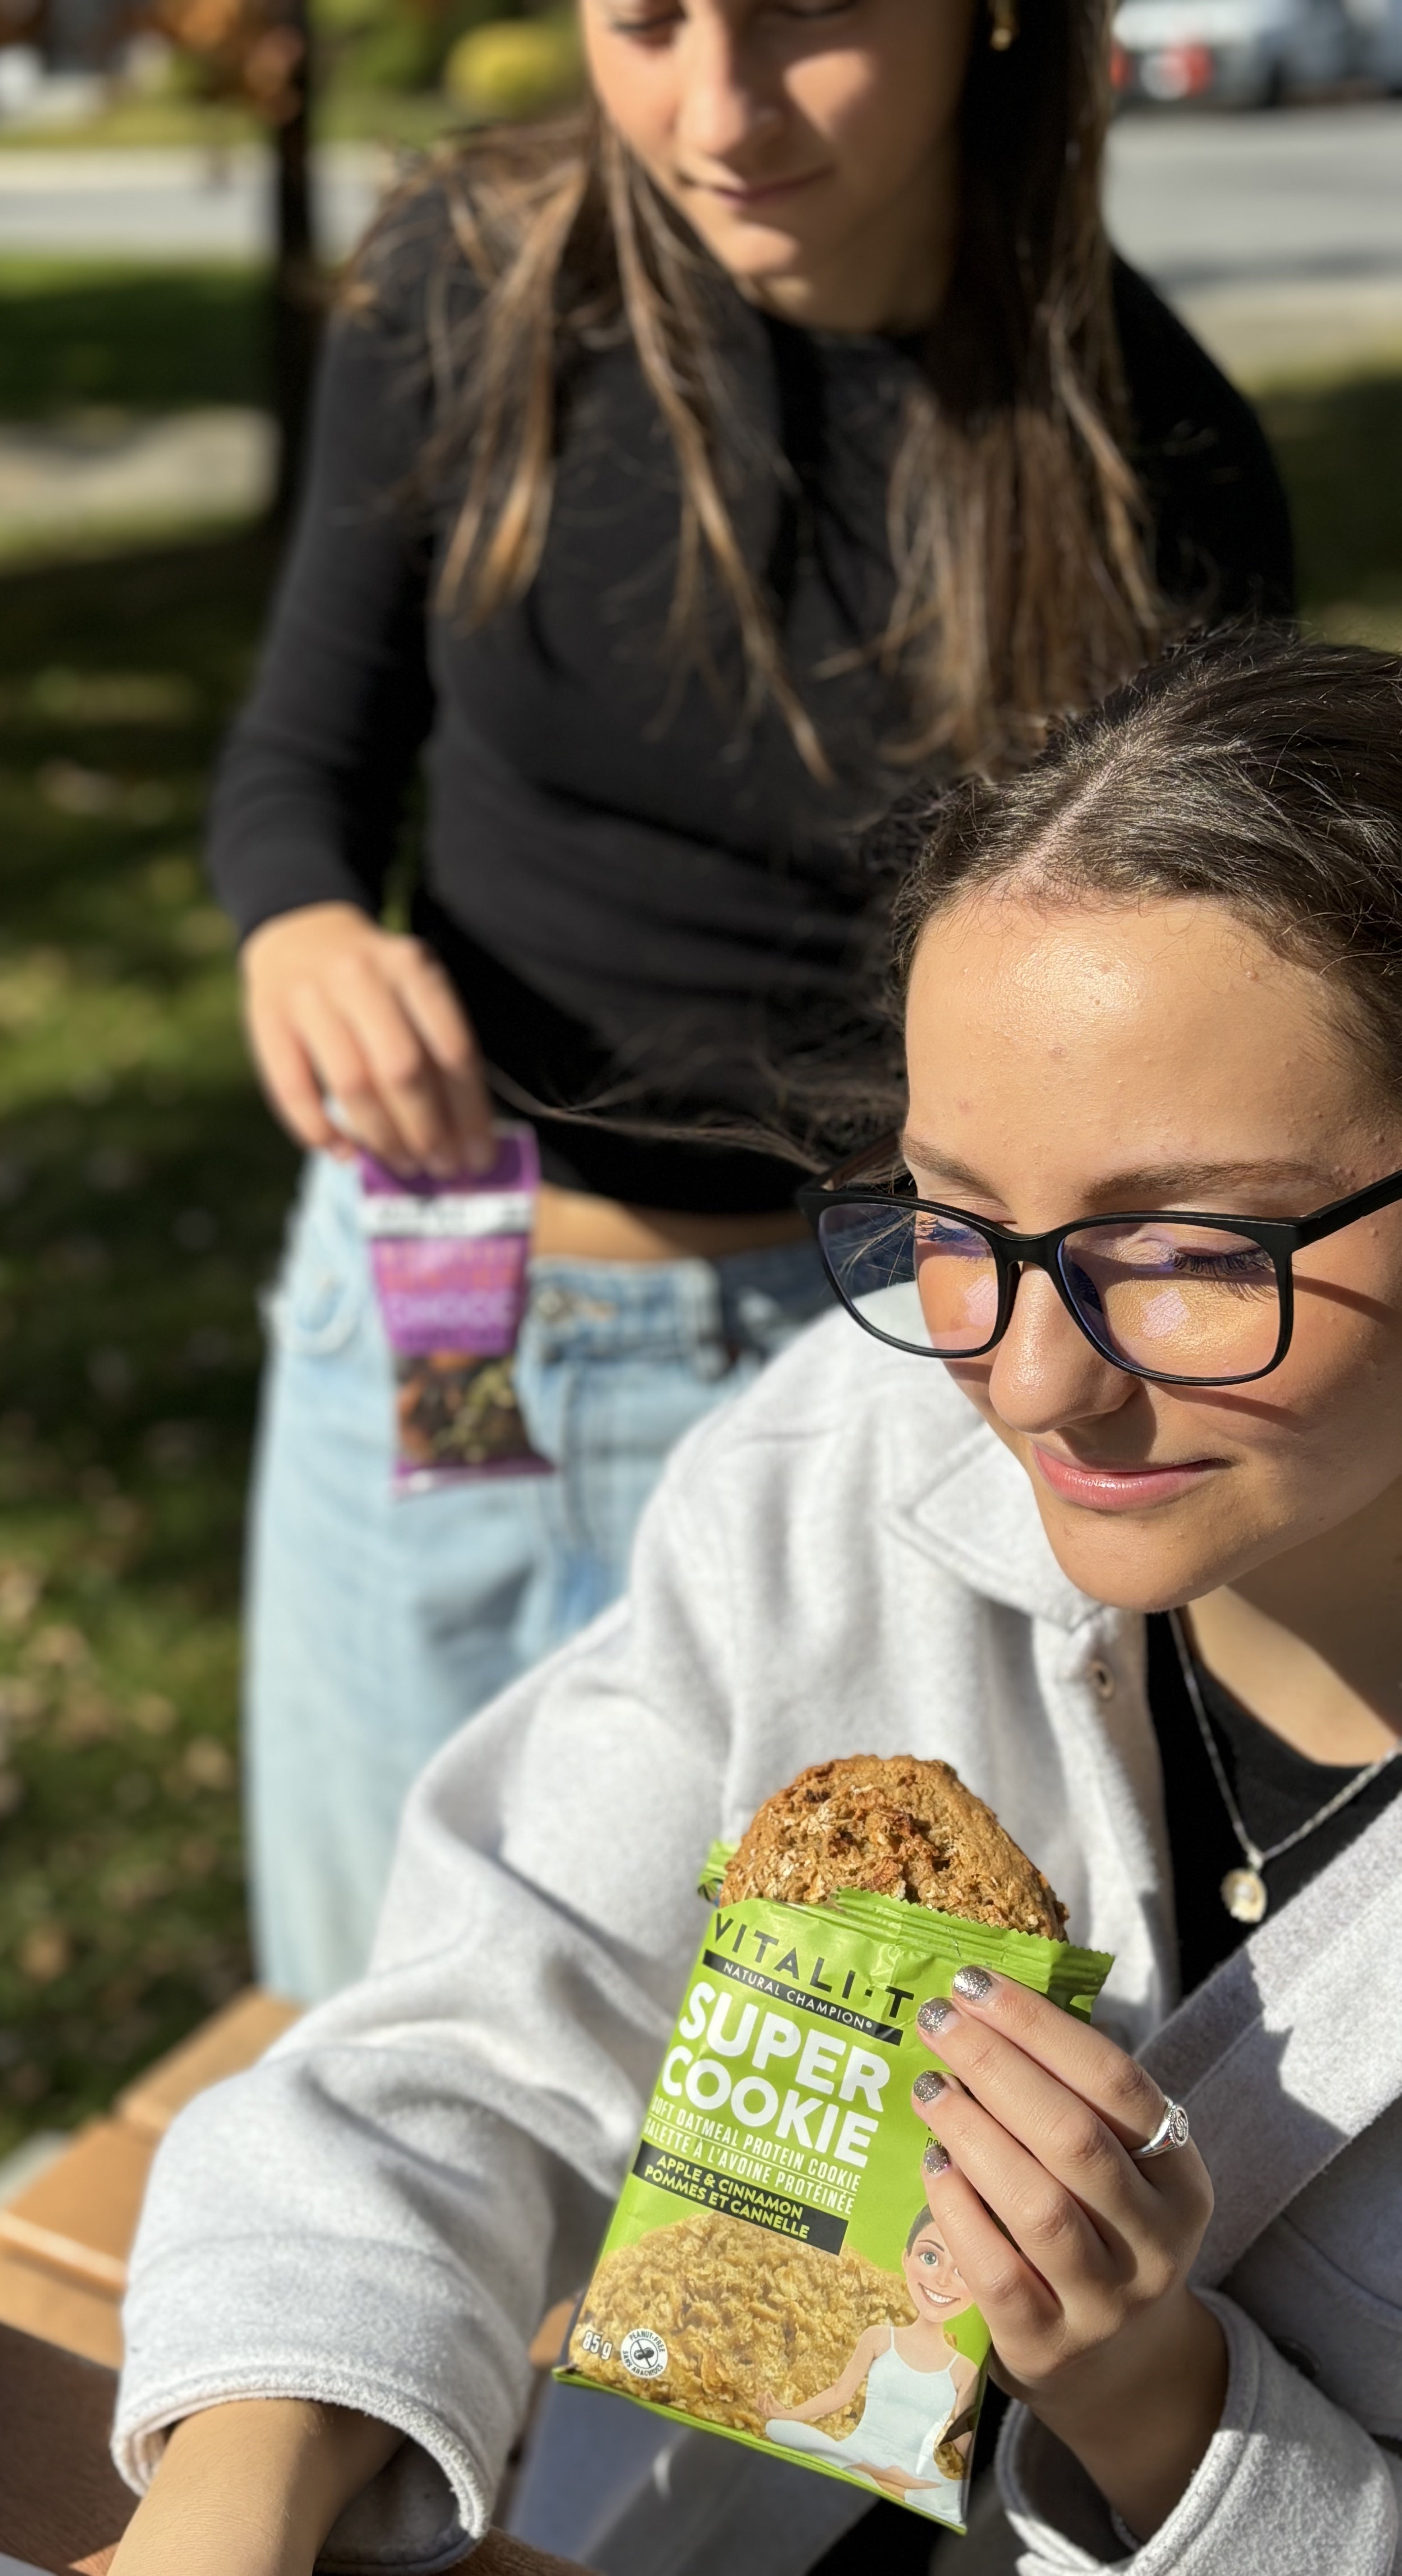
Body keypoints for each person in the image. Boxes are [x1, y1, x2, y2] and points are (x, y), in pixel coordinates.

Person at [111, 629, 1402, 2576]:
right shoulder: (851, 1471)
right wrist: (224, 2517)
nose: (1031, 1384)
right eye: (956, 1222)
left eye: (1182, 1252)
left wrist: (1159, 2405)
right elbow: (469, 2040)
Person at [214, 0, 1293, 2003]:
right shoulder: (468, 285)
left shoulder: (1153, 449)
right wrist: (299, 928)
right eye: (638, 19)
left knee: (775, 2093)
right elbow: (297, 766)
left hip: (872, 1365)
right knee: (381, 2009)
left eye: (802, 17)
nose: (713, 114)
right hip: (461, 1318)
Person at [761, 2207, 980, 2517]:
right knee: (779, 2429)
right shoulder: (879, 2337)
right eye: (930, 2258)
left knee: (957, 2497)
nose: (943, 2280)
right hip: (859, 2451)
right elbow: (840, 2394)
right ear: (906, 2259)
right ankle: (886, 2485)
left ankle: (884, 2484)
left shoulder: (964, 2370)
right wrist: (788, 2415)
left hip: (918, 2476)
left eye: (963, 2272)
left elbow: (960, 2438)